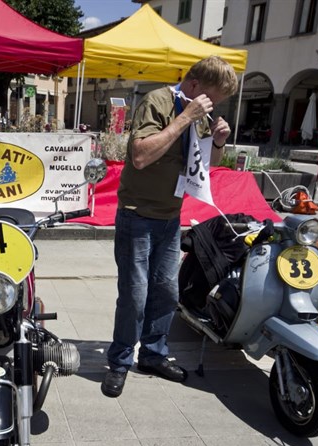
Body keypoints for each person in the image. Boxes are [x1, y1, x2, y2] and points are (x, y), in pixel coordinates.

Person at [100, 55, 238, 398]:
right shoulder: (158, 102)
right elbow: (140, 155)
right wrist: (184, 118)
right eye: (212, 97)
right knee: (135, 295)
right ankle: (119, 362)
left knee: (166, 291)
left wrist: (217, 142)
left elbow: (206, 164)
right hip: (137, 214)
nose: (213, 105)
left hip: (170, 217)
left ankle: (152, 355)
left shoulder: (199, 110)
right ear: (193, 85)